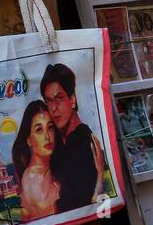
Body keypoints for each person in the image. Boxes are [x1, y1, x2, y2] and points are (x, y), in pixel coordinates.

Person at [40, 64, 106, 212]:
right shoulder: (60, 140)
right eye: (48, 101)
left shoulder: (83, 142)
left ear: (72, 100)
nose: (53, 108)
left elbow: (92, 204)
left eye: (59, 98)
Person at [12, 101, 60, 221]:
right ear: (29, 140)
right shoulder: (33, 178)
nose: (47, 137)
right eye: (39, 130)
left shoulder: (49, 170)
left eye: (50, 128)